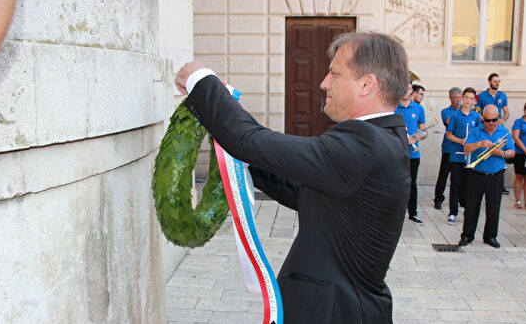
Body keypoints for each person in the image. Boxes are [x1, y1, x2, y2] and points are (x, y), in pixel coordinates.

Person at [175, 32, 411, 324]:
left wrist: (201, 80)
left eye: (335, 73)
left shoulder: (366, 141)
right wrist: (242, 164)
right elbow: (306, 193)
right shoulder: (382, 138)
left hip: (333, 312)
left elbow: (250, 139)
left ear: (366, 84)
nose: (324, 83)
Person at [459, 105, 515, 248]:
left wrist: (501, 153)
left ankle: (490, 236)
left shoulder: (505, 132)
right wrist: (479, 144)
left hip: (496, 175)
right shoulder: (476, 131)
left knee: (493, 208)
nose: (491, 123)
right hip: (476, 174)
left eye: (494, 120)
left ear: (498, 118)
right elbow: (466, 148)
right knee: (471, 207)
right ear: (483, 118)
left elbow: (512, 153)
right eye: (488, 120)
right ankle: (467, 235)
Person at [445, 87, 481, 224]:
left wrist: (472, 144)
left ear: (474, 101)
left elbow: (479, 134)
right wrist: (461, 141)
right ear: (462, 98)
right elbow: (449, 134)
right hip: (457, 155)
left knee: (469, 186)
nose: (468, 101)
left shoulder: (476, 117)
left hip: (471, 156)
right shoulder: (455, 115)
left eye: (471, 98)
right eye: (466, 97)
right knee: (455, 184)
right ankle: (453, 213)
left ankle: (468, 211)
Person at [395, 84, 427, 224]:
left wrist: (415, 138)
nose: (405, 91)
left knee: (412, 183)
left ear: (411, 91)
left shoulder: (419, 108)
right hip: (395, 152)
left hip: (413, 153)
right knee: (394, 183)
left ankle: (412, 213)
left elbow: (423, 130)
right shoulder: (392, 107)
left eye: (408, 88)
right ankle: (395, 214)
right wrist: (403, 139)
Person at [476, 73, 510, 195]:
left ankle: (499, 184)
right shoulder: (481, 96)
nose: (497, 83)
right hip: (486, 128)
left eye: (499, 81)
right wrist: (487, 120)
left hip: (498, 128)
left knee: (500, 152)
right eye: (495, 81)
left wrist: (502, 120)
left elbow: (506, 112)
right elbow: (477, 113)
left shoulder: (503, 95)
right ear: (489, 82)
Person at [433, 87, 462, 210]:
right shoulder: (446, 111)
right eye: (456, 97)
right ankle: (438, 198)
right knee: (444, 174)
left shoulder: (466, 111)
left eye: (460, 97)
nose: (458, 100)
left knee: (460, 176)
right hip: (449, 148)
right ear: (450, 98)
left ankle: (462, 198)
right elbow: (450, 123)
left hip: (462, 147)